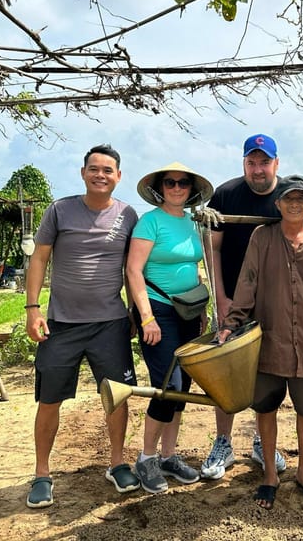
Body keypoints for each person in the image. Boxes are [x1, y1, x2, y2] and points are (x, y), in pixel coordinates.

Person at [24, 144, 140, 509]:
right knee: (50, 399)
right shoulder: (60, 211)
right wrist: (32, 309)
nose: (101, 175)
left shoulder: (128, 215)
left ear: (118, 176)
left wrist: (137, 313)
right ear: (83, 173)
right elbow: (40, 258)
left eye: (108, 170)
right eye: (94, 169)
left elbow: (132, 268)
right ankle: (42, 473)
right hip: (61, 324)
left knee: (117, 396)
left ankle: (117, 463)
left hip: (110, 323)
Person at [221, 175, 303, 509]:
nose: (295, 204)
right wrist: (232, 323)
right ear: (278, 204)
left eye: (302, 199)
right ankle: (270, 474)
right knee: (266, 407)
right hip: (270, 338)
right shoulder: (263, 237)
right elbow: (247, 282)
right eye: (289, 199)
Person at [200, 133, 290, 480]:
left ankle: (260, 440)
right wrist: (222, 298)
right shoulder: (225, 195)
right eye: (251, 162)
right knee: (227, 369)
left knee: (267, 371)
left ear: (276, 164)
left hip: (272, 301)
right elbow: (214, 250)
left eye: (264, 162)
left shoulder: (287, 198)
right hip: (234, 301)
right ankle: (222, 441)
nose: (258, 169)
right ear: (244, 164)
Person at [125, 162, 214, 494]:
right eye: (170, 183)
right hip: (158, 309)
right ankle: (146, 457)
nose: (177, 188)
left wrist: (202, 311)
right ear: (159, 188)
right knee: (167, 384)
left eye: (183, 184)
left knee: (183, 387)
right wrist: (146, 317)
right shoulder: (150, 222)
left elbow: (197, 266)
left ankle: (169, 455)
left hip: (188, 312)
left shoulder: (194, 222)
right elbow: (134, 271)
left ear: (191, 190)